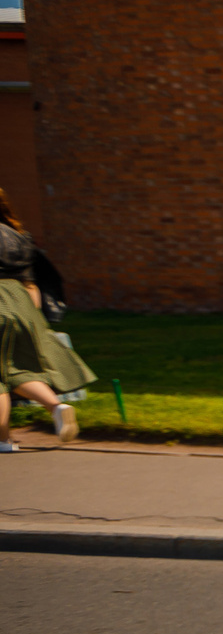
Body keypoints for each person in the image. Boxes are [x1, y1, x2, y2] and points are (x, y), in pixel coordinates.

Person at [0, 187, 94, 451]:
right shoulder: (19, 236)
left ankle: (3, 440)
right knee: (18, 369)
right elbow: (31, 284)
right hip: (21, 303)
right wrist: (35, 320)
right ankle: (57, 407)